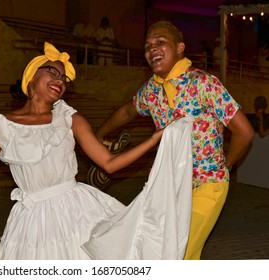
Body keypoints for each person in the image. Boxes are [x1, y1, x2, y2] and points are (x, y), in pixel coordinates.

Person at [0, 41, 167, 260]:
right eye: (52, 72)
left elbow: (109, 163)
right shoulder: (3, 124)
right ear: (31, 78)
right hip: (32, 222)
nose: (60, 81)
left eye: (63, 78)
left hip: (77, 212)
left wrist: (154, 139)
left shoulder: (69, 118)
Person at [93, 20, 254, 260]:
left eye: (160, 42)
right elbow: (128, 111)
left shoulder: (204, 83)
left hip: (207, 184)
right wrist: (99, 134)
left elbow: (245, 132)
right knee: (162, 250)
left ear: (180, 48)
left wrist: (224, 166)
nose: (152, 49)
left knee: (181, 253)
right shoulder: (152, 89)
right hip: (170, 185)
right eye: (148, 46)